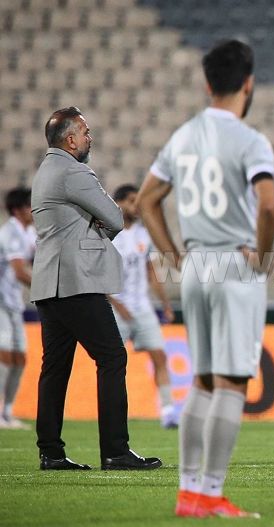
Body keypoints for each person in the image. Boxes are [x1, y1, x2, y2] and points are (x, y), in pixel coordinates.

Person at [137, 39, 274, 519]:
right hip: (233, 266)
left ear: (205, 83)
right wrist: (261, 255)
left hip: (196, 266)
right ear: (248, 83)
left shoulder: (183, 136)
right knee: (231, 382)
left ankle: (188, 492)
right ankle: (212, 493)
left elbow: (145, 199)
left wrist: (174, 255)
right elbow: (269, 203)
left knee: (200, 381)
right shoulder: (251, 140)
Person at [31, 106, 162, 471]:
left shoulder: (45, 171)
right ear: (70, 139)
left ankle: (51, 452)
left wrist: (87, 225)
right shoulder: (74, 171)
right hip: (77, 282)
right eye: (86, 132)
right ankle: (115, 451)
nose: (90, 137)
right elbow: (117, 217)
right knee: (112, 357)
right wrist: (96, 228)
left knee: (54, 368)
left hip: (48, 283)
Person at [109, 184, 177, 429]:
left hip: (142, 306)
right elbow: (96, 273)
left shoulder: (143, 233)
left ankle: (168, 411)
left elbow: (151, 272)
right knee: (114, 363)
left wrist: (165, 303)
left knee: (159, 355)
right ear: (118, 203)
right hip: (116, 308)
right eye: (131, 201)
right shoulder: (108, 233)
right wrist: (115, 302)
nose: (136, 207)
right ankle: (115, 413)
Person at [0, 187, 36, 430]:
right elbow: (19, 270)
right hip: (0, 301)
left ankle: (8, 412)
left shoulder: (30, 232)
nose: (32, 210)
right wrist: (49, 288)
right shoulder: (10, 231)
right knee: (5, 355)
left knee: (20, 358)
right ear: (17, 209)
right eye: (28, 206)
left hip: (14, 303)